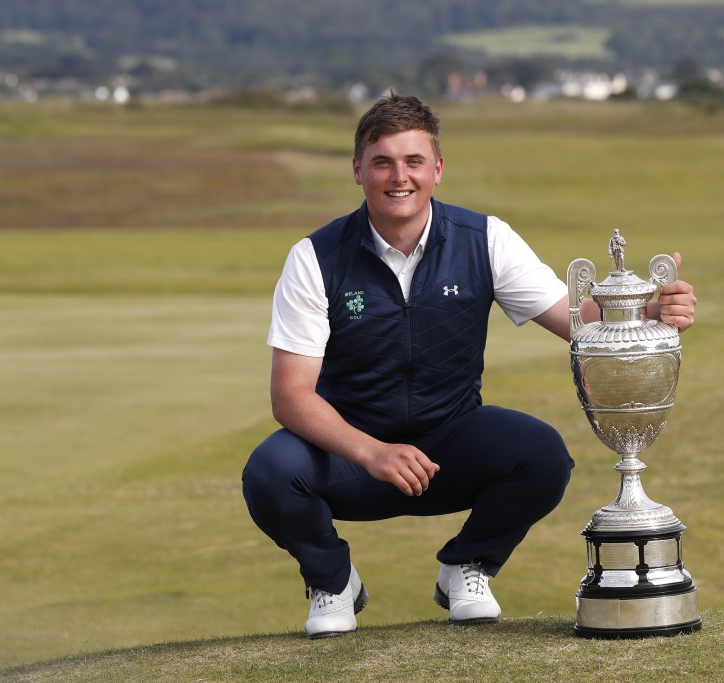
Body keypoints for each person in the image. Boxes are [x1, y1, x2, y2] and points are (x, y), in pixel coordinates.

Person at [241, 93, 697, 639]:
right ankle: (333, 580)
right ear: (357, 170)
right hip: (352, 457)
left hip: (449, 446)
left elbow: (578, 321)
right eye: (382, 161)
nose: (398, 176)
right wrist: (373, 451)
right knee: (269, 473)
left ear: (437, 169)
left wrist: (646, 314)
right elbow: (291, 395)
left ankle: (469, 565)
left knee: (542, 454)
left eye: (413, 161)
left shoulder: (485, 239)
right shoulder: (314, 256)